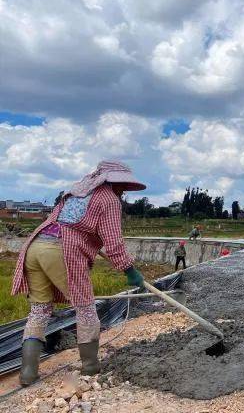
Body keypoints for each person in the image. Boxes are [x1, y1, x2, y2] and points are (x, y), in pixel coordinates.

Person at [11, 160, 146, 386]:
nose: (123, 190)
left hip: (35, 246)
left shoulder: (77, 191)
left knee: (39, 310)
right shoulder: (109, 199)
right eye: (122, 185)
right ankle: (91, 368)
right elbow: (114, 243)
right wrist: (130, 271)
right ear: (112, 182)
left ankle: (28, 373)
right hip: (61, 251)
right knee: (86, 309)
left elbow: (61, 221)